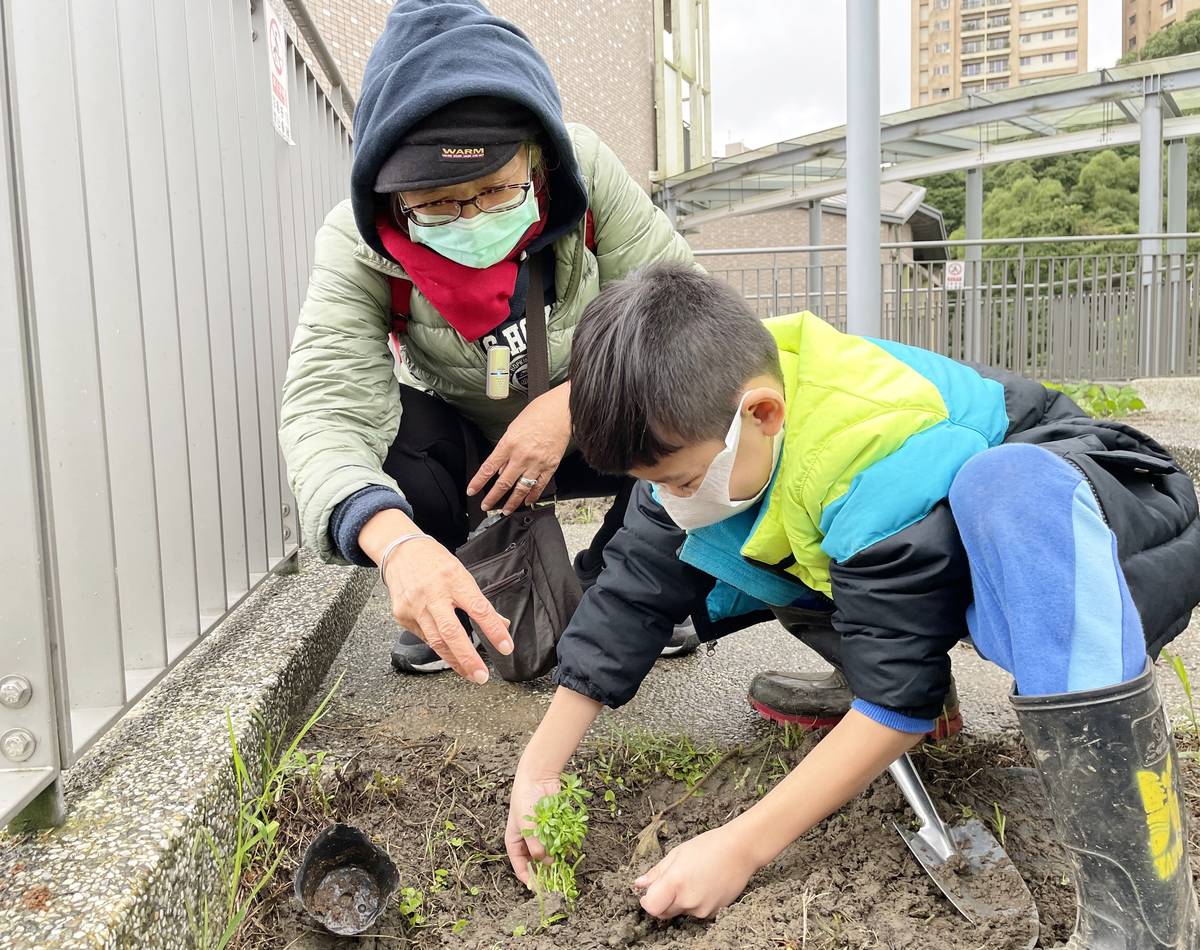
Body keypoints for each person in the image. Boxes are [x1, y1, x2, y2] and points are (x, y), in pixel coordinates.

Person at [505, 264, 1200, 942]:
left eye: (681, 479)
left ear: (764, 413)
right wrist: (539, 770)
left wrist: (740, 847)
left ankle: (1143, 916)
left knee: (1005, 490)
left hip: (1089, 515)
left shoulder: (865, 449)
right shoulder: (706, 414)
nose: (673, 498)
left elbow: (900, 701)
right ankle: (898, 694)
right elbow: (634, 590)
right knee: (743, 535)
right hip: (908, 539)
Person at [279, 0, 698, 682]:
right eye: (439, 203)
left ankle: (625, 582)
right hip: (480, 455)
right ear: (389, 196)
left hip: (596, 429)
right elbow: (326, 409)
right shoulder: (354, 242)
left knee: (683, 402)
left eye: (497, 190)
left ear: (538, 165)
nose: (471, 218)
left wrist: (572, 402)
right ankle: (457, 587)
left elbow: (686, 316)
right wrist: (396, 547)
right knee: (398, 431)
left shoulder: (586, 174)